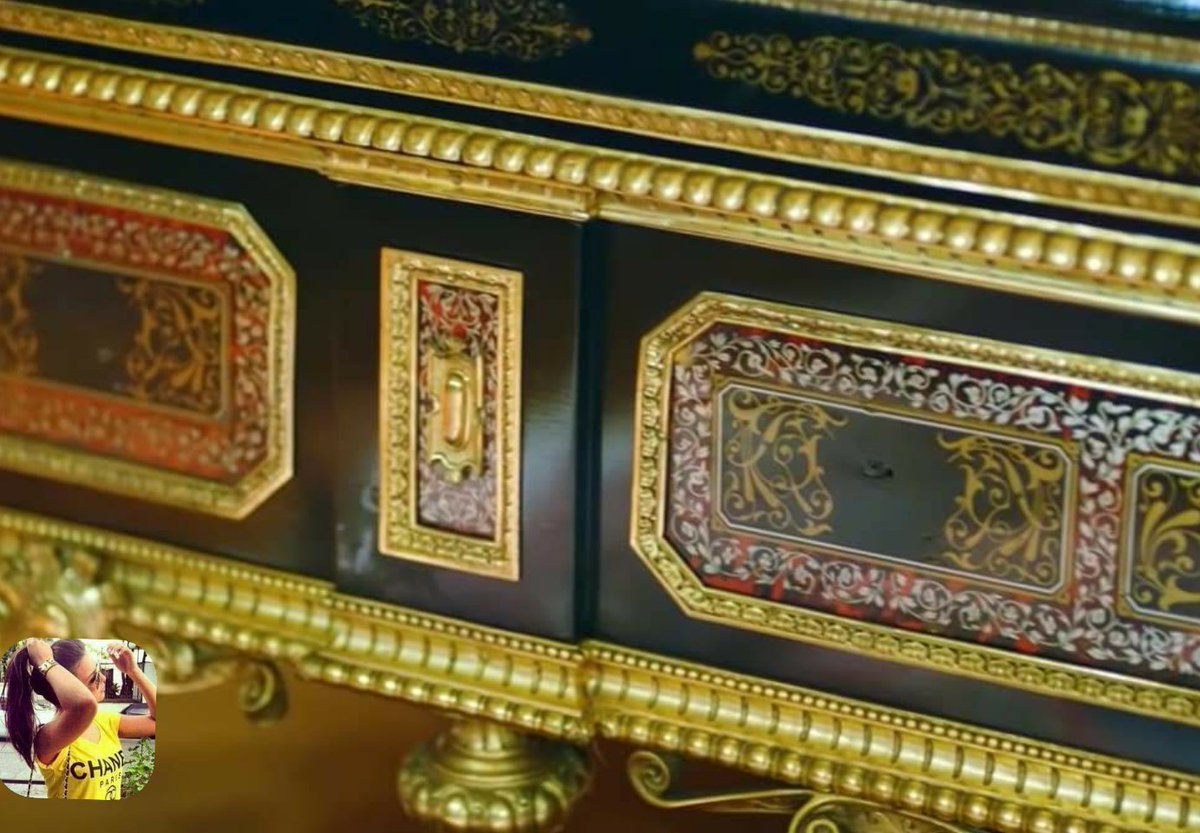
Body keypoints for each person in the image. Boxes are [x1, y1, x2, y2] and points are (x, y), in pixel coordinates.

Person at [3, 638, 157, 799]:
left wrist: (133, 671)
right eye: (93, 678)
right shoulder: (48, 737)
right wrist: (45, 662)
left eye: (98, 671)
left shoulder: (106, 721)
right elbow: (84, 706)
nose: (103, 679)